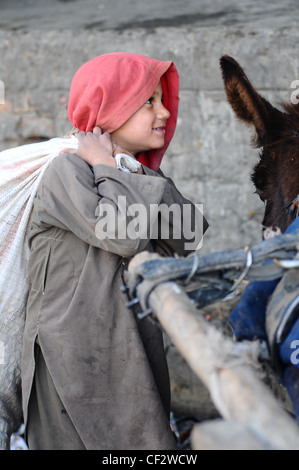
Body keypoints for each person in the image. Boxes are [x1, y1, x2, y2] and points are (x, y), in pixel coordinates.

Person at [21, 52, 208, 450]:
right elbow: (122, 232)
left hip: (128, 347)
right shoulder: (66, 171)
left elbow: (190, 235)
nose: (163, 113)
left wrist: (134, 171)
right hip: (72, 358)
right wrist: (105, 165)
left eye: (162, 101)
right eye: (148, 102)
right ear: (111, 109)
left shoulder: (131, 173)